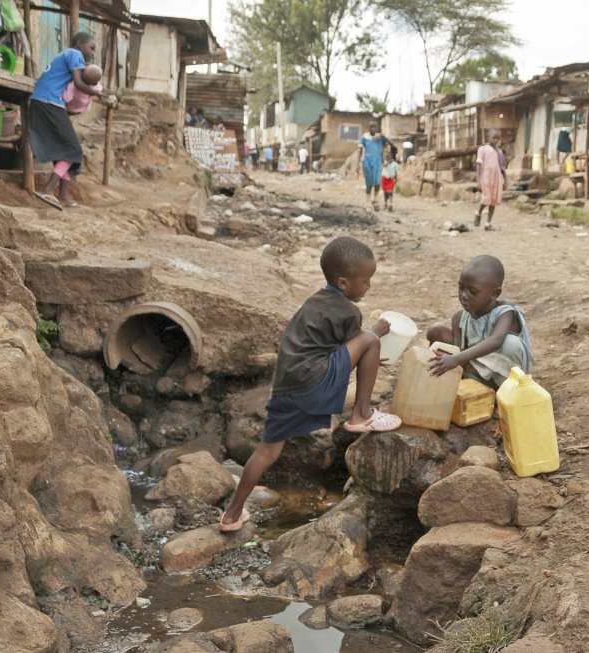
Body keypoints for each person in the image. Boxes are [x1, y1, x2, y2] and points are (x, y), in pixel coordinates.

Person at [219, 236, 402, 532]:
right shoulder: (348, 311)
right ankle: (362, 415)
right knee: (369, 339)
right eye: (366, 281)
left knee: (267, 450)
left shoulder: (314, 301)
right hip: (314, 380)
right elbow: (361, 344)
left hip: (286, 386)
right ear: (343, 283)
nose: (368, 286)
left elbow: (339, 349)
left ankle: (232, 515)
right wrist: (377, 332)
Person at [426, 255, 533, 390]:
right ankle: (445, 386)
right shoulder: (459, 317)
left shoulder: (505, 312)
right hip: (472, 372)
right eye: (461, 288)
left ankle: (504, 397)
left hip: (501, 376)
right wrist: (454, 359)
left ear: (495, 293)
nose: (464, 295)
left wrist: (456, 359)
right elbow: (458, 352)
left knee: (512, 344)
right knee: (437, 330)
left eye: (472, 291)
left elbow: (496, 340)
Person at [29, 32, 103, 210]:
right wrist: (95, 93)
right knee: (73, 149)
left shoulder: (64, 56)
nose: (92, 53)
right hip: (49, 102)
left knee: (64, 149)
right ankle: (47, 189)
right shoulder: (74, 54)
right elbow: (78, 83)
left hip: (42, 101)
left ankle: (63, 195)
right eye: (91, 48)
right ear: (79, 44)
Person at [475, 129, 507, 230]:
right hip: (486, 177)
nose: (496, 140)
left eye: (498, 138)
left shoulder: (499, 152)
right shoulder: (482, 149)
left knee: (494, 201)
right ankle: (478, 213)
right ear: (488, 137)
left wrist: (505, 180)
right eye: (494, 138)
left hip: (497, 178)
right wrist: (478, 180)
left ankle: (488, 224)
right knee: (486, 199)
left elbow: (502, 168)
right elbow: (479, 165)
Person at [358, 121, 387, 210]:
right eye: (371, 127)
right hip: (367, 162)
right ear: (368, 127)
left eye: (375, 127)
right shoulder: (364, 137)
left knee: (377, 183)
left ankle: (375, 199)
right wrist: (357, 164)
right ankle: (368, 203)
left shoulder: (379, 137)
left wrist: (382, 136)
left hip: (378, 162)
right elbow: (360, 151)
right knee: (369, 184)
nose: (373, 128)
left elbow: (390, 143)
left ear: (377, 127)